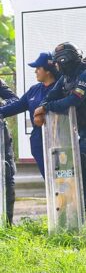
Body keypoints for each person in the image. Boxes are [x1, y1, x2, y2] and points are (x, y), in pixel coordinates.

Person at [34, 42, 86, 218]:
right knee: (78, 181)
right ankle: (76, 222)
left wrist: (47, 107)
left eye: (58, 62)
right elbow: (51, 96)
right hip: (84, 135)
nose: (56, 66)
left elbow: (73, 100)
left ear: (65, 60)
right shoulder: (67, 78)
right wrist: (42, 107)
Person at [0, 52, 58, 177]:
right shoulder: (34, 90)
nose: (35, 71)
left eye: (38, 68)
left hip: (57, 137)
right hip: (38, 138)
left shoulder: (60, 88)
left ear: (48, 70)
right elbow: (18, 105)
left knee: (60, 174)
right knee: (48, 175)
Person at [0, 78, 18, 224]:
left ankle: (6, 224)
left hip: (1, 136)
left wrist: (1, 106)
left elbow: (14, 99)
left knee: (7, 173)